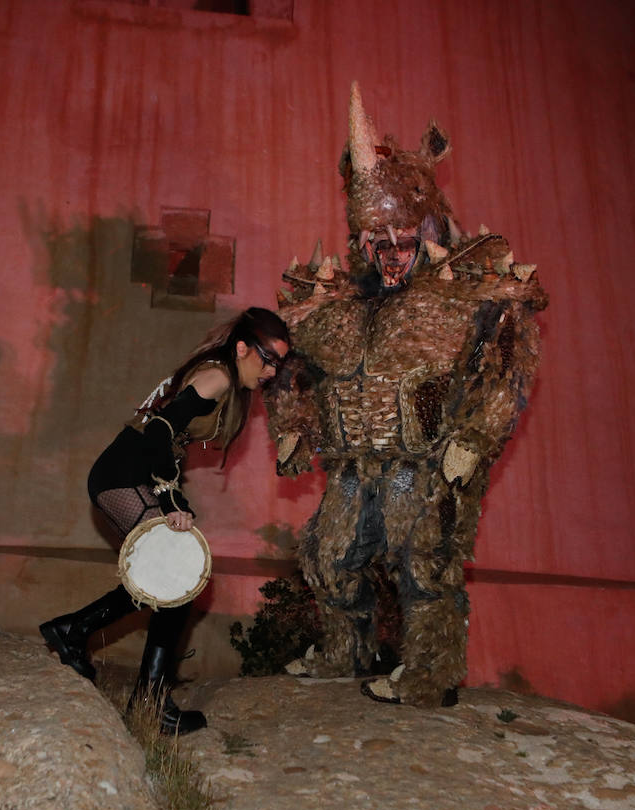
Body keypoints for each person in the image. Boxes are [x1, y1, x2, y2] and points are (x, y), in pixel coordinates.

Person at [265, 83, 549, 707]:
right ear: (360, 242)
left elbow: (504, 364)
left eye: (400, 240)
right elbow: (292, 368)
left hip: (421, 466)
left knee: (423, 564)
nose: (389, 253)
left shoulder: (461, 296)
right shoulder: (335, 305)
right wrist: (290, 426)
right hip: (349, 466)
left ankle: (427, 676)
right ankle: (347, 650)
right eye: (376, 242)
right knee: (329, 557)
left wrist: (474, 440)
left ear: (423, 232)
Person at [41, 307, 290, 734]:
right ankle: (144, 694)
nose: (271, 370)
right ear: (243, 348)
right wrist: (172, 497)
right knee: (175, 578)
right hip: (123, 475)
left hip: (130, 474)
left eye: (278, 363)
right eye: (267, 359)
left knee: (170, 579)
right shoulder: (220, 376)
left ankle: (77, 633)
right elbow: (158, 430)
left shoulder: (226, 377)